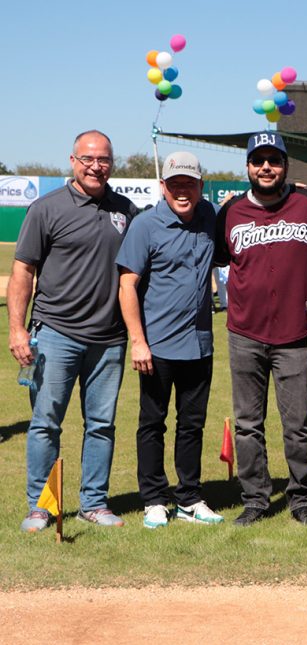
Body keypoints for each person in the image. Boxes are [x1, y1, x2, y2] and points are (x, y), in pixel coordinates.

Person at [8, 130, 138, 531]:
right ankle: (41, 507)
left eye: (103, 160)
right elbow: (23, 272)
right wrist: (16, 330)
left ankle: (94, 503)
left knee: (101, 425)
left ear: (112, 163)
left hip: (109, 340)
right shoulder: (46, 208)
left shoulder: (126, 210)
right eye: (88, 159)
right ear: (72, 161)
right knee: (45, 424)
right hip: (55, 334)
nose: (96, 167)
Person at [215, 132, 307, 526]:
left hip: (294, 333)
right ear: (248, 166)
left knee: (298, 423)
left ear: (285, 165)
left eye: (274, 160)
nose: (266, 167)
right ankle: (256, 499)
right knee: (248, 424)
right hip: (244, 332)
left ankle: (301, 498)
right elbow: (221, 259)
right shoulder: (230, 212)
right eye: (258, 161)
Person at [116, 152, 223, 529]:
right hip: (156, 346)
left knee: (192, 425)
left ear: (201, 186)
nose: (182, 190)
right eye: (174, 183)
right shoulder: (145, 225)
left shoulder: (211, 215)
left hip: (199, 344)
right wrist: (137, 341)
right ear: (163, 186)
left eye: (189, 183)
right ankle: (154, 499)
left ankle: (190, 498)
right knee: (152, 424)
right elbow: (127, 285)